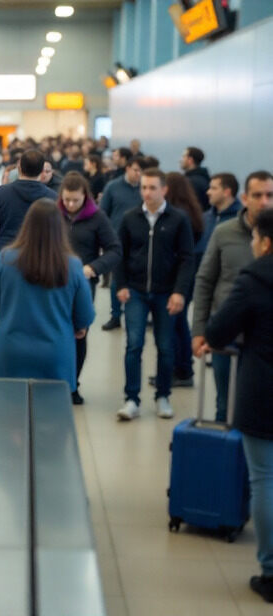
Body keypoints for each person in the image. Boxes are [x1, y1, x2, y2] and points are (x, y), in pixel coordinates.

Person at [202, 208, 273, 602]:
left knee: (264, 479)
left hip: (262, 391)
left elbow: (218, 330)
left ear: (265, 242)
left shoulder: (255, 278)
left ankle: (270, 570)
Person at [0, 198, 95, 389]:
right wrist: (79, 327)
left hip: (11, 353)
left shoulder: (5, 259)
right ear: (60, 228)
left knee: (10, 413)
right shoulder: (73, 265)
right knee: (51, 414)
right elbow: (84, 316)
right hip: (55, 354)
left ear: (27, 225)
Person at [115, 168, 195, 421]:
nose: (147, 193)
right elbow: (121, 255)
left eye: (152, 188)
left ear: (164, 190)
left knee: (165, 346)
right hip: (136, 292)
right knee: (134, 345)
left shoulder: (178, 219)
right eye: (144, 188)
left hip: (165, 293)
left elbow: (186, 259)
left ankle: (163, 395)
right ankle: (131, 399)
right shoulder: (130, 218)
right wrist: (121, 285)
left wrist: (179, 292)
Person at [193, 170, 273, 422]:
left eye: (270, 195)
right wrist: (198, 330)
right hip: (225, 335)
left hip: (263, 343)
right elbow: (205, 281)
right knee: (224, 405)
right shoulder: (224, 232)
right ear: (244, 197)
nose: (264, 201)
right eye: (257, 195)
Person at [58, 173, 121, 404]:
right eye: (66, 200)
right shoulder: (54, 214)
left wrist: (93, 268)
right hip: (53, 284)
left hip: (83, 286)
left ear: (85, 197)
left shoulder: (97, 218)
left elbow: (115, 250)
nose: (71, 205)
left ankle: (73, 385)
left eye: (75, 200)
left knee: (78, 333)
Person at [163, 172, 205, 387]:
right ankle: (182, 368)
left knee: (173, 325)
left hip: (177, 277)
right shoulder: (192, 211)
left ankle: (179, 370)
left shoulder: (177, 216)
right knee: (179, 324)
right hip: (188, 275)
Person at [0, 149, 58, 262]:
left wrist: (1, 239)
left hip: (5, 253)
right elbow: (59, 229)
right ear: (42, 171)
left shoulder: (1, 193)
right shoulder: (53, 197)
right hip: (40, 257)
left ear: (19, 168)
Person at [100, 156, 144, 330]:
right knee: (117, 279)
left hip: (141, 240)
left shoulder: (145, 189)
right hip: (117, 240)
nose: (138, 174)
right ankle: (115, 315)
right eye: (136, 170)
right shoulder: (113, 187)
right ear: (127, 169)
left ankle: (140, 315)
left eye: (141, 171)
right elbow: (103, 213)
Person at [196, 173, 242, 263]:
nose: (208, 192)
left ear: (227, 192)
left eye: (213, 188)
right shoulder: (204, 217)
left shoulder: (241, 218)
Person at [181, 146, 211, 211]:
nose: (181, 160)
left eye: (183, 157)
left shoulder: (190, 182)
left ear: (190, 160)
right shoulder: (205, 179)